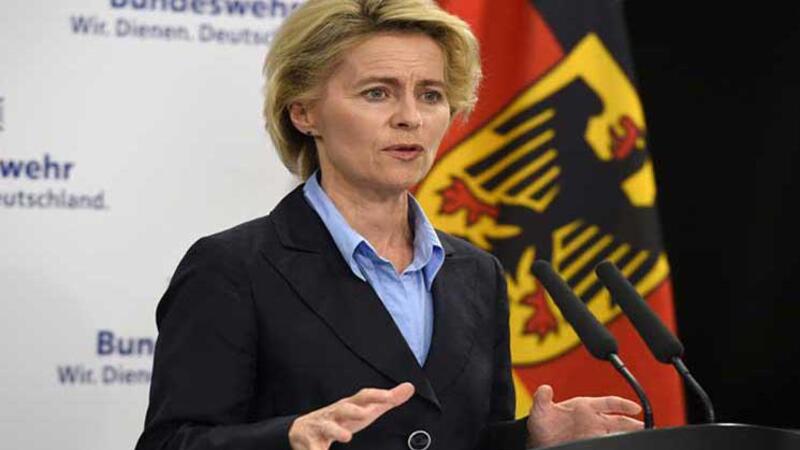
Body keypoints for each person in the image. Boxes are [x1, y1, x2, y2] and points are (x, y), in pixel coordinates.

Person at [135, 1, 644, 449]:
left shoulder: (476, 273)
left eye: (431, 95)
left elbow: (463, 436)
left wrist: (528, 438)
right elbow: (171, 443)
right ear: (304, 113)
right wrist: (287, 438)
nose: (410, 118)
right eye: (378, 93)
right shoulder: (233, 268)